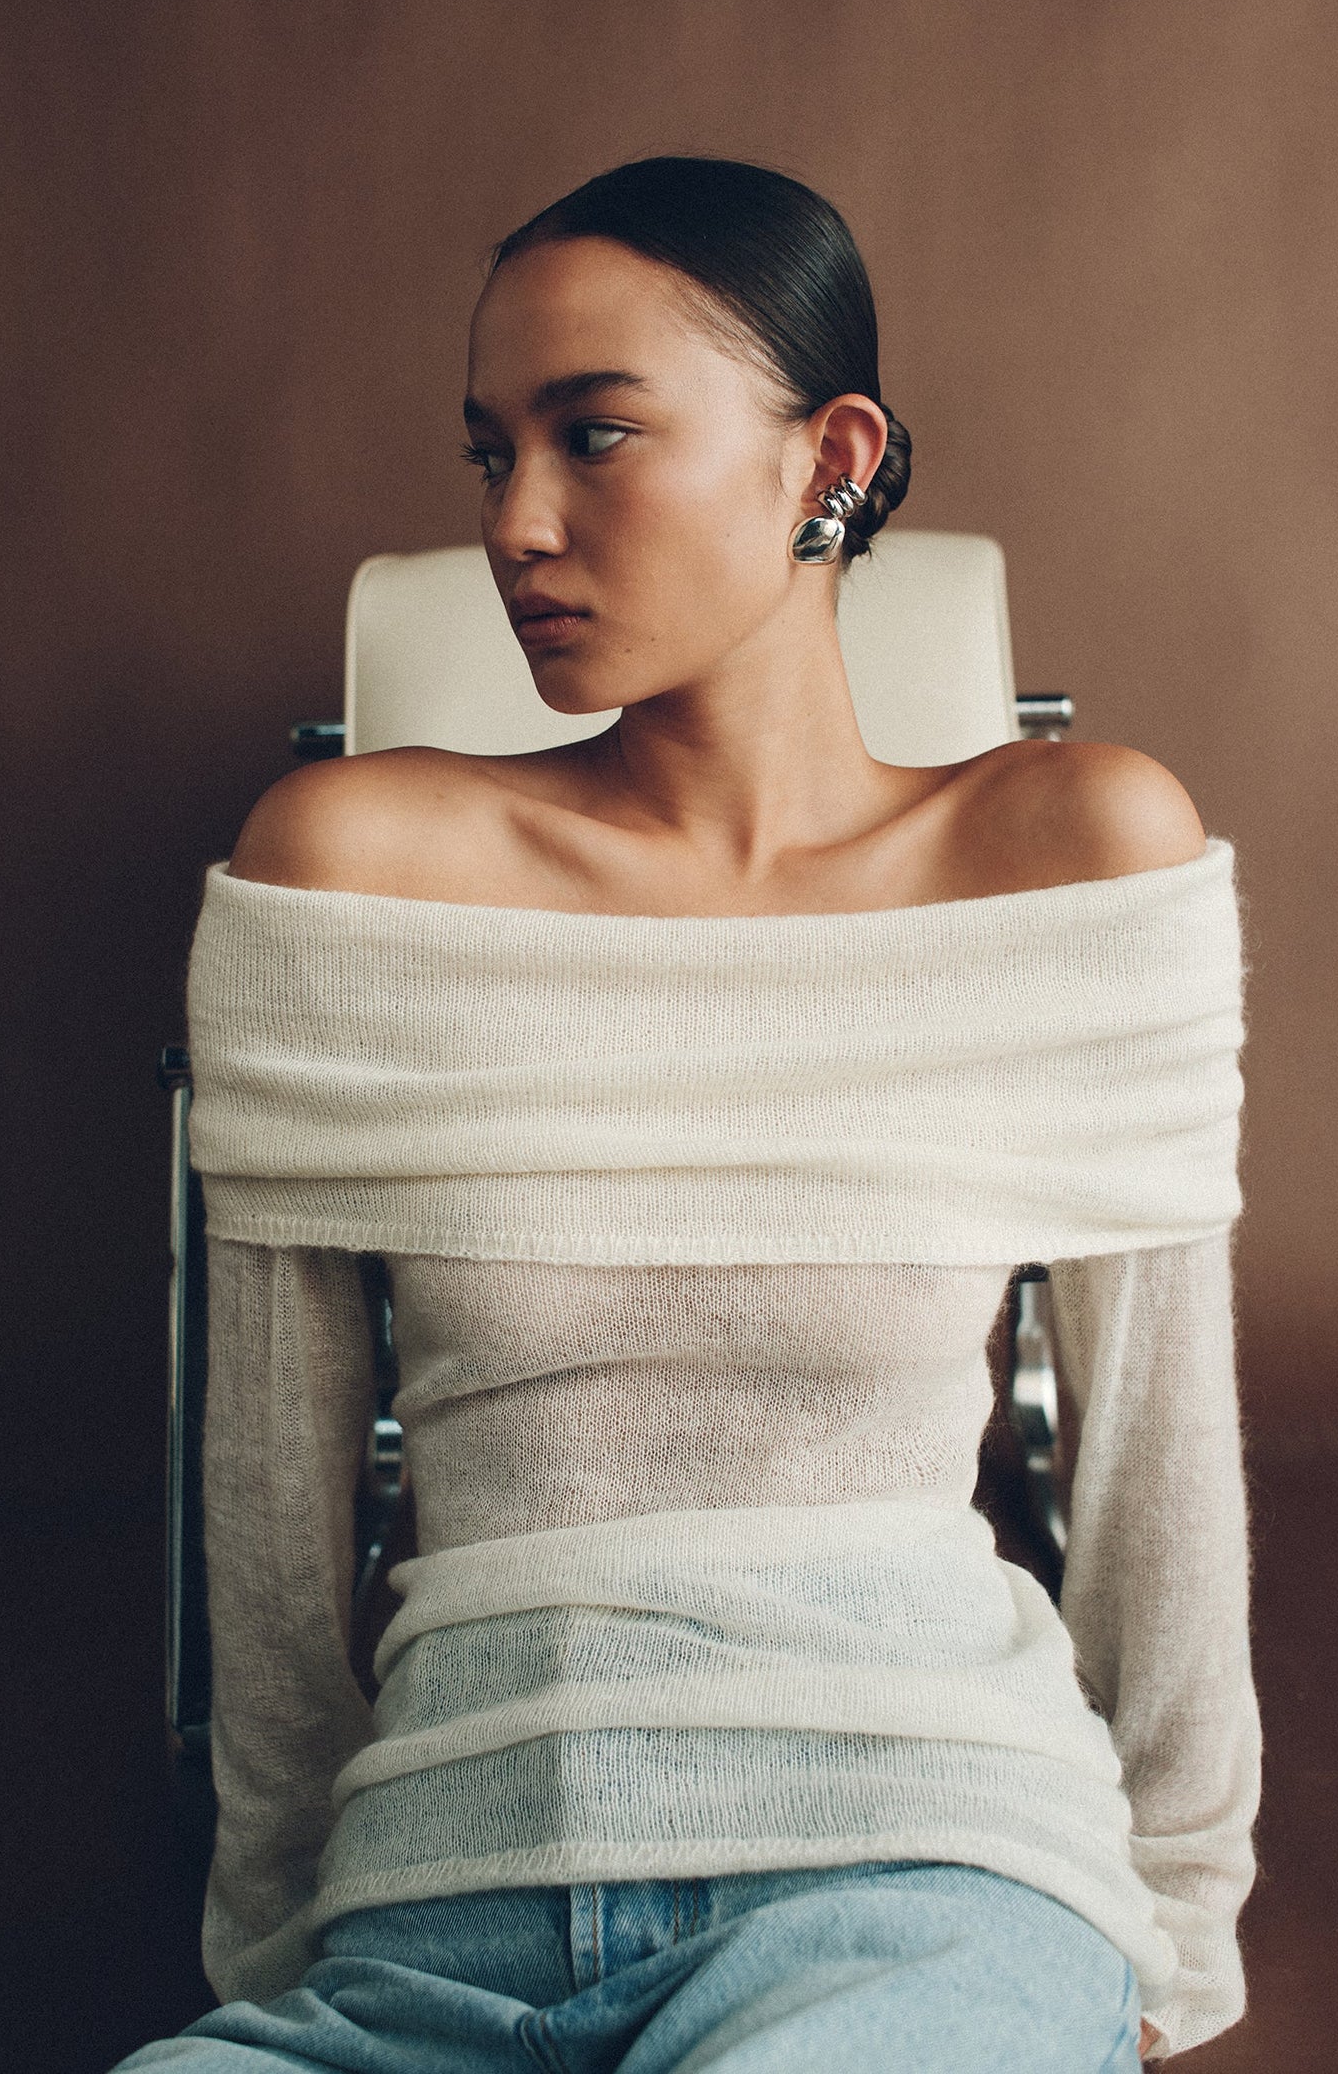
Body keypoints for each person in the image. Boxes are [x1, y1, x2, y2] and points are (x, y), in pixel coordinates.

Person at [113, 157, 1258, 2071]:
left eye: (597, 434)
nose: (516, 521)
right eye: (489, 452)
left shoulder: (1069, 851)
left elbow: (1158, 1468)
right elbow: (274, 1515)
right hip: (438, 1911)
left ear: (831, 460)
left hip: (920, 1873)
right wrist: (280, 1953)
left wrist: (1172, 1929)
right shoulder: (350, 867)